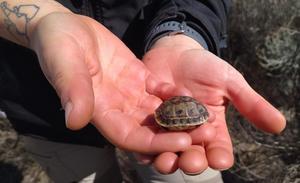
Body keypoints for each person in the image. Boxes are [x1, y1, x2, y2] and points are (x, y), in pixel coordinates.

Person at [0, 0, 286, 182]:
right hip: (38, 102)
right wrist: (40, 20)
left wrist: (183, 33)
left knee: (183, 170)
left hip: (149, 70)